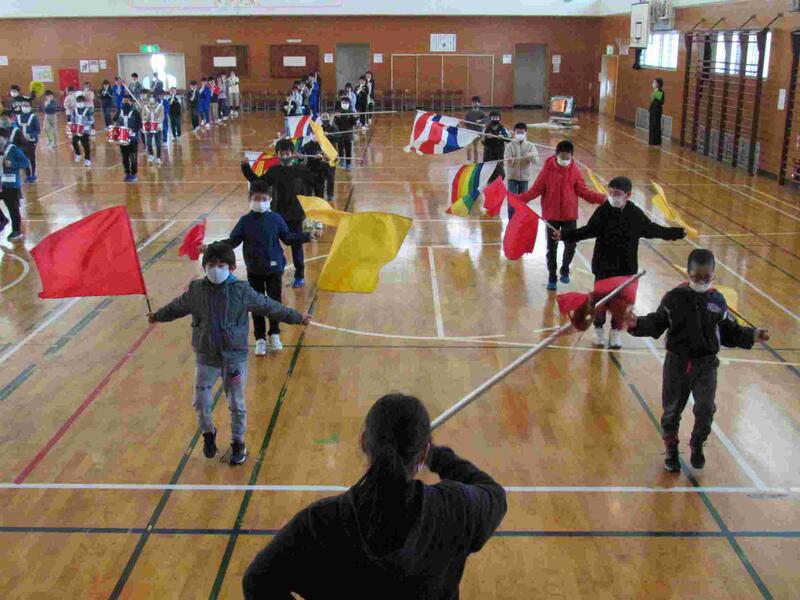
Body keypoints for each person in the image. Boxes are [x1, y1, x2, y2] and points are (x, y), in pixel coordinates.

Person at [242, 393, 507, 598]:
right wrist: (438, 457)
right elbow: (493, 493)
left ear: (364, 442)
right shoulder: (455, 510)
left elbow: (258, 581)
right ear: (422, 453)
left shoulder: (318, 524)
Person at [148, 241, 312, 465]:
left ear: (232, 268)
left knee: (236, 403)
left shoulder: (241, 291)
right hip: (206, 359)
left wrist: (297, 317)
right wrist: (157, 315)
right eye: (211, 265)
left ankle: (238, 443)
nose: (215, 269)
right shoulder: (196, 290)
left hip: (234, 362)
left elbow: (270, 306)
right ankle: (208, 433)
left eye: (221, 265)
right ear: (204, 266)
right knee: (200, 401)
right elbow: (176, 307)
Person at [625, 249, 770, 472]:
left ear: (713, 274)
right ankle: (671, 447)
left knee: (705, 408)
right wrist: (637, 324)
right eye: (696, 276)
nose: (701, 281)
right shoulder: (674, 298)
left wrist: (752, 335)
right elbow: (657, 322)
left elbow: (729, 331)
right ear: (688, 272)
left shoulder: (717, 301)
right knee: (671, 410)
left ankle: (697, 443)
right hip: (677, 363)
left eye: (706, 277)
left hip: (706, 365)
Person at [554, 176, 685, 349]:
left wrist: (676, 233)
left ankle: (615, 331)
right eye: (610, 192)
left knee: (621, 304)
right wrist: (565, 235)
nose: (612, 196)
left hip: (626, 269)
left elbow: (654, 230)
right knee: (600, 303)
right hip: (603, 267)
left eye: (616, 193)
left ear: (628, 195)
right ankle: (598, 330)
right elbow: (588, 231)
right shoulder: (603, 211)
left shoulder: (635, 214)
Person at [221, 181, 316, 355]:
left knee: (274, 303)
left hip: (274, 270)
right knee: (256, 304)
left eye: (264, 199)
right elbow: (232, 242)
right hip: (254, 269)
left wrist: (307, 236)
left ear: (270, 199)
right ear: (250, 199)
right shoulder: (245, 221)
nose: (260, 202)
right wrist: (212, 247)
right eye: (257, 198)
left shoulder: (276, 219)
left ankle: (274, 334)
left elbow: (288, 238)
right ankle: (260, 339)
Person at [516, 140, 606, 290]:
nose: (565, 161)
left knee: (571, 245)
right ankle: (552, 275)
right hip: (551, 216)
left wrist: (601, 199)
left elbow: (584, 192)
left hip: (569, 216)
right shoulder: (547, 170)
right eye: (562, 158)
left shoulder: (575, 171)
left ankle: (565, 268)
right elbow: (536, 189)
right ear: (556, 155)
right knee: (552, 248)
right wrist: (521, 199)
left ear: (572, 156)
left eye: (568, 158)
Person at [241, 138, 315, 288]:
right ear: (277, 154)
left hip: (296, 215)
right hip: (277, 215)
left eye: (287, 153)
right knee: (272, 243)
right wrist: (245, 167)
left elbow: (317, 177)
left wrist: (320, 161)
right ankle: (278, 266)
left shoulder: (301, 170)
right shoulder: (273, 171)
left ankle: (300, 275)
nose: (284, 156)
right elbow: (257, 182)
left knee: (296, 245)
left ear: (293, 153)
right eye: (281, 153)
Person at [503, 123, 539, 218]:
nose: (520, 134)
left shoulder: (531, 146)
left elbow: (536, 161)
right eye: (518, 132)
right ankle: (511, 219)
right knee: (512, 200)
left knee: (523, 201)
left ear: (526, 133)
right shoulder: (509, 146)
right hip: (512, 177)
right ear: (514, 132)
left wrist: (531, 156)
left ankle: (521, 219)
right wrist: (510, 160)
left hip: (524, 178)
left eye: (522, 132)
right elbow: (506, 160)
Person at [0, 132, 31, 241]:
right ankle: (2, 219)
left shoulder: (13, 149)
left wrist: (12, 164)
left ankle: (16, 231)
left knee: (12, 208)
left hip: (11, 184)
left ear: (5, 138)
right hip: (1, 183)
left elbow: (25, 163)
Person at [115, 94, 143, 182]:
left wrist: (132, 131)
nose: (125, 103)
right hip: (123, 138)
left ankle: (133, 174)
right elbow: (115, 120)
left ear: (131, 102)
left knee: (133, 156)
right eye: (124, 101)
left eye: (127, 101)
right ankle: (127, 173)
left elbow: (139, 125)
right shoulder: (120, 111)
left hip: (133, 138)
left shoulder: (135, 112)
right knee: (124, 156)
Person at [17, 98, 40, 183]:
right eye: (23, 106)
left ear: (30, 107)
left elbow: (37, 129)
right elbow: (16, 128)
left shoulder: (33, 117)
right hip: (22, 142)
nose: (25, 107)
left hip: (31, 141)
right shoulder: (18, 117)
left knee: (32, 158)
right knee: (24, 158)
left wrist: (32, 135)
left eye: (27, 106)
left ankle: (33, 174)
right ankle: (27, 175)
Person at [483, 111, 509, 183]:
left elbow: (509, 139)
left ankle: (498, 184)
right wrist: (486, 137)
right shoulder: (486, 129)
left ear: (499, 118)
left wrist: (503, 137)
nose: (495, 119)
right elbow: (483, 141)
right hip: (488, 154)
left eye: (497, 117)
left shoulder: (503, 128)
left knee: (500, 173)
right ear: (490, 118)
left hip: (499, 154)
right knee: (488, 173)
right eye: (493, 117)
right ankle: (489, 185)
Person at [300, 132, 328, 198]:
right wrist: (300, 156)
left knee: (319, 195)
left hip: (320, 174)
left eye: (317, 134)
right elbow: (300, 155)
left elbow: (330, 159)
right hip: (310, 172)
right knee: (308, 194)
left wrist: (324, 158)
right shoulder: (306, 145)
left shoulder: (324, 145)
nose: (315, 136)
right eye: (313, 134)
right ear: (311, 135)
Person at [70, 94, 94, 167]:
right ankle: (78, 154)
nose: (80, 103)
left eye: (81, 102)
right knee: (74, 142)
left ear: (84, 102)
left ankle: (87, 159)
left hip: (85, 131)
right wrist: (72, 126)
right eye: (78, 102)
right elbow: (72, 119)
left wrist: (85, 124)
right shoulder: (75, 110)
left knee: (85, 145)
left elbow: (92, 120)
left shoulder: (88, 111)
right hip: (77, 130)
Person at [334, 97, 356, 171]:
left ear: (349, 103)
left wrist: (354, 118)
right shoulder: (338, 112)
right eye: (343, 103)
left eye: (346, 103)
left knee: (348, 148)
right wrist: (338, 117)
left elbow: (353, 123)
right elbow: (336, 123)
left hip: (348, 134)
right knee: (340, 147)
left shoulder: (351, 112)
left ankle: (348, 163)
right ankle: (341, 160)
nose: (344, 104)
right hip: (340, 133)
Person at [320, 112, 339, 200]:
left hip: (332, 154)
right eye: (323, 117)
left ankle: (330, 194)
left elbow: (337, 137)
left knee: (331, 176)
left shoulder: (333, 128)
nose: (325, 119)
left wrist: (330, 134)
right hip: (322, 154)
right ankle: (320, 193)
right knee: (321, 175)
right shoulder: (319, 128)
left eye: (326, 117)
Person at [142, 91, 163, 165]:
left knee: (158, 143)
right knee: (148, 142)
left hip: (157, 127)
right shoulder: (145, 107)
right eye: (150, 97)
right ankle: (151, 155)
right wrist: (147, 116)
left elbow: (161, 117)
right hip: (148, 127)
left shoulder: (160, 106)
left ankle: (158, 157)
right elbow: (143, 117)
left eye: (153, 97)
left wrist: (156, 120)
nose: (151, 98)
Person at [464, 96, 486, 163]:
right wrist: (467, 126)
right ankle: (468, 160)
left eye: (476, 102)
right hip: (469, 132)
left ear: (479, 104)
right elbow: (466, 123)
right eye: (473, 102)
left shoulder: (481, 112)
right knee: (468, 147)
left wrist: (481, 121)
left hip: (477, 133)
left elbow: (486, 119)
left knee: (476, 148)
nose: (475, 104)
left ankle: (476, 161)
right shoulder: (468, 113)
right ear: (471, 103)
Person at [649, 78, 665, 146]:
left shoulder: (660, 91)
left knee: (655, 126)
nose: (653, 84)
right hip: (653, 111)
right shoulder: (655, 91)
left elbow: (659, 102)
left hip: (656, 112)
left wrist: (653, 97)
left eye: (654, 82)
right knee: (652, 126)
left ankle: (655, 142)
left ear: (658, 84)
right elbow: (652, 100)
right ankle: (652, 141)